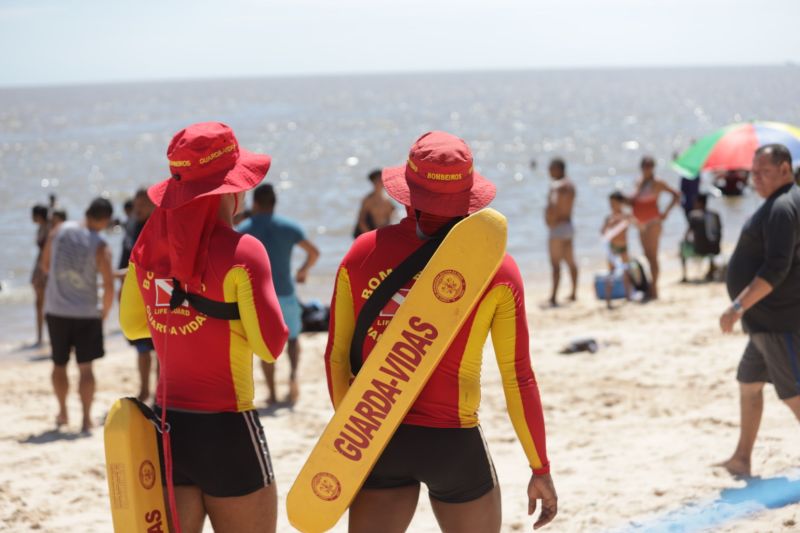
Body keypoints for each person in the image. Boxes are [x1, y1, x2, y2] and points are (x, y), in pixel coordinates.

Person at [326, 131, 557, 533]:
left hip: (377, 436)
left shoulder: (360, 253)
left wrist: (354, 441)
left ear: (406, 192)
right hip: (454, 442)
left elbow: (336, 358)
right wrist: (540, 468)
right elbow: (517, 376)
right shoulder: (498, 270)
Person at [120, 122, 288, 532]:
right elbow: (271, 346)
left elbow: (132, 325)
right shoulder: (243, 251)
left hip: (164, 430)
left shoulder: (145, 246)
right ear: (232, 189)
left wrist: (176, 323)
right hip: (229, 428)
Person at [718, 144, 800, 478]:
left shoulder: (782, 207)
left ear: (784, 169)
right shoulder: (782, 203)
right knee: (749, 382)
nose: (755, 180)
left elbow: (775, 269)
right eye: (752, 173)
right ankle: (741, 459)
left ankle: (741, 458)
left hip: (777, 321)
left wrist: (737, 306)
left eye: (763, 172)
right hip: (764, 322)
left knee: (794, 395)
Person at [237, 183, 320, 405]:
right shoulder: (289, 227)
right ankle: (293, 376)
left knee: (265, 345)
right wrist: (303, 270)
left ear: (254, 203)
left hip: (259, 297)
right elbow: (314, 253)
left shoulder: (244, 229)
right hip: (286, 292)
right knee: (293, 339)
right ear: (274, 203)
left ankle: (272, 392)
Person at [40, 198, 114, 432]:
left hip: (57, 309)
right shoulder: (100, 243)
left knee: (59, 364)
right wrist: (104, 313)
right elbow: (109, 285)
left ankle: (63, 412)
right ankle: (85, 419)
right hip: (86, 313)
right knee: (86, 368)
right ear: (105, 220)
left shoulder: (59, 230)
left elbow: (45, 266)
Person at [118, 189, 157, 401]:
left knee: (161, 348)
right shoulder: (132, 226)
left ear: (154, 205)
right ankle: (144, 390)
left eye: (143, 204)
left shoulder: (161, 226)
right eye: (136, 204)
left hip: (156, 294)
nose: (138, 209)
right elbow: (124, 258)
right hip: (135, 295)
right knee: (141, 347)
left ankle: (160, 391)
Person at [629, 156, 679, 300]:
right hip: (640, 224)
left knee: (653, 256)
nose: (647, 169)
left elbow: (675, 195)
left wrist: (666, 213)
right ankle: (651, 286)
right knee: (647, 255)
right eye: (645, 166)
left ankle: (654, 289)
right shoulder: (639, 182)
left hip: (653, 223)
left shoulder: (657, 183)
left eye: (649, 166)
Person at [545, 157, 577, 306]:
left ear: (558, 168)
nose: (549, 171)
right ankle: (573, 293)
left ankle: (553, 297)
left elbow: (553, 204)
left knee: (555, 265)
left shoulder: (556, 186)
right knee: (570, 261)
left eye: (551, 168)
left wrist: (549, 220)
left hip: (557, 228)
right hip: (568, 226)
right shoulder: (571, 185)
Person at [601, 191, 633, 308]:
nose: (612, 205)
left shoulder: (626, 216)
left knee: (626, 272)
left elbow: (637, 224)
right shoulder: (609, 218)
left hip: (624, 247)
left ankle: (628, 296)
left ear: (621, 203)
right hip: (612, 248)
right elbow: (603, 233)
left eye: (614, 203)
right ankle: (608, 300)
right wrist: (610, 226)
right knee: (611, 273)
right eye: (611, 203)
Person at [680, 193, 722, 282]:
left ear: (699, 203)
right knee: (709, 241)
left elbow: (687, 235)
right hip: (715, 249)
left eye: (695, 202)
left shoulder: (694, 215)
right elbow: (719, 232)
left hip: (700, 250)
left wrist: (685, 242)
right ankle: (711, 268)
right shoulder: (715, 214)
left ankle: (684, 276)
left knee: (681, 246)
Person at [353, 168, 395, 238]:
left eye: (381, 179)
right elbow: (361, 221)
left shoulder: (389, 200)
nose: (380, 182)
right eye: (378, 180)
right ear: (373, 182)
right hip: (371, 234)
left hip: (383, 234)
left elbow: (389, 219)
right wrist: (371, 236)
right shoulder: (368, 200)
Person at [30, 204, 50, 346]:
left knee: (44, 303)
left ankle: (44, 337)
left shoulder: (49, 229)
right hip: (40, 267)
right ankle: (40, 337)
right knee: (39, 303)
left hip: (45, 269)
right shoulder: (42, 228)